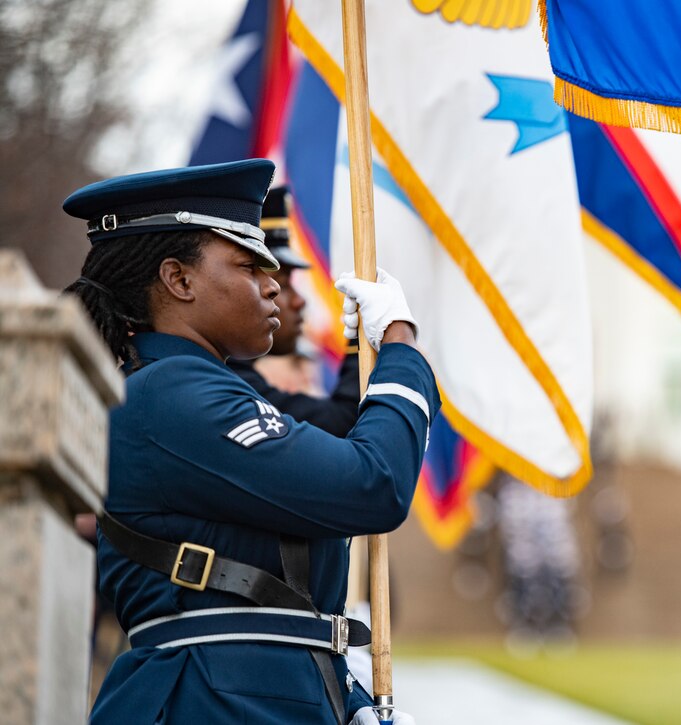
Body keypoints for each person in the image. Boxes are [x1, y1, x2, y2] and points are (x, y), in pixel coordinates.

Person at [63, 159, 430, 725]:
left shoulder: (190, 387)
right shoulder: (173, 393)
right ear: (178, 280)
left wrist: (348, 701)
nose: (272, 284)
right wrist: (401, 347)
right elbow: (372, 485)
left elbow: (276, 598)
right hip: (211, 701)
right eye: (248, 264)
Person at [227, 186, 361, 436]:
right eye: (282, 284)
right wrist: (366, 339)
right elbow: (342, 426)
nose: (300, 301)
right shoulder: (228, 379)